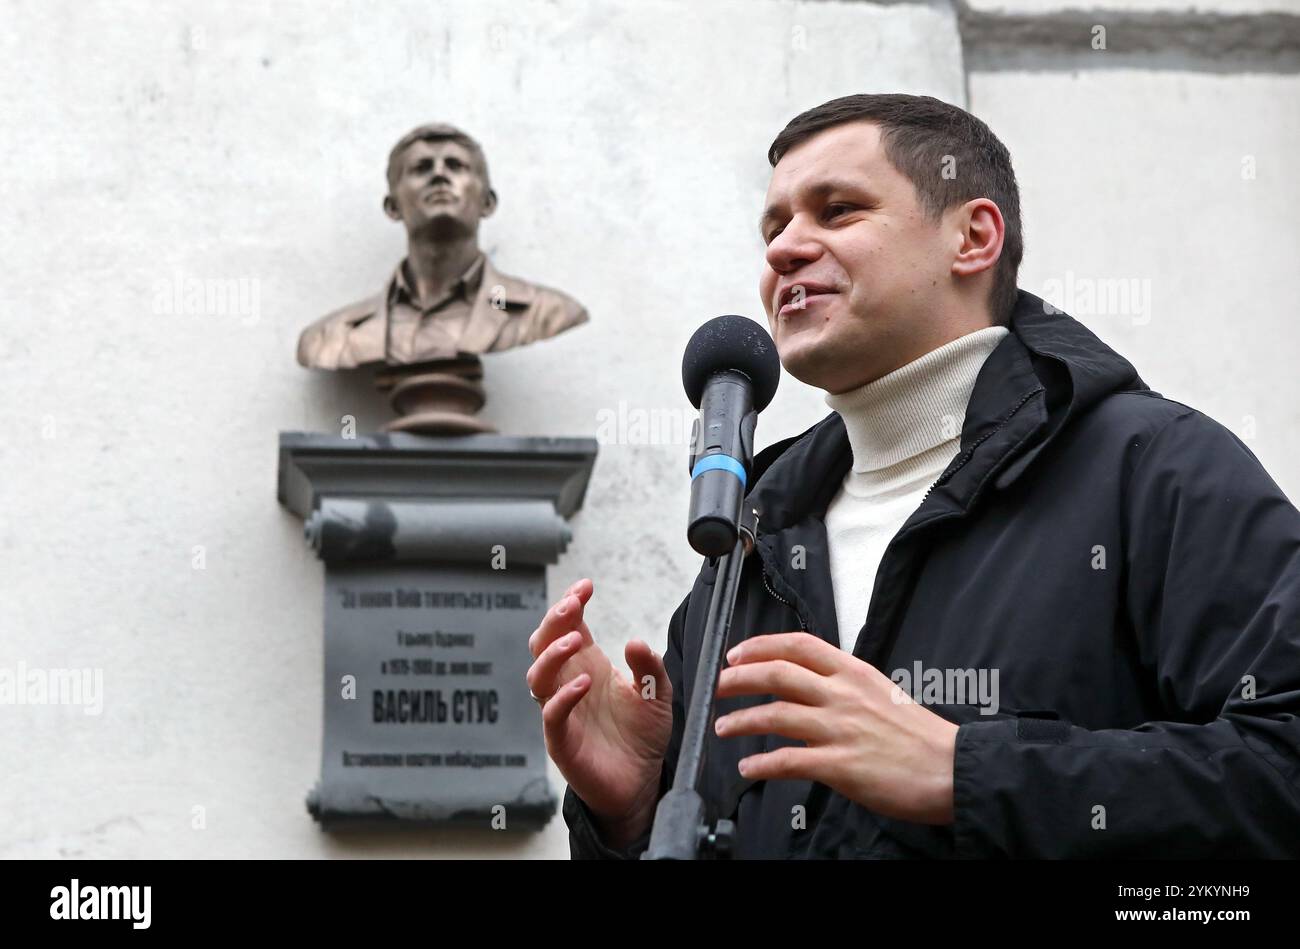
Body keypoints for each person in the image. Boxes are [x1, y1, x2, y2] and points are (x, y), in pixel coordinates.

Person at [526, 93, 1300, 858]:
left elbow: (1280, 770)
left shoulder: (1153, 467)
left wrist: (965, 773)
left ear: (972, 236)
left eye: (836, 211)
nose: (784, 249)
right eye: (774, 226)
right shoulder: (754, 544)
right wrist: (632, 814)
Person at [296, 122, 588, 372]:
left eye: (456, 166)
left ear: (488, 202)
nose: (439, 176)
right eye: (421, 168)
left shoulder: (546, 313)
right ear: (392, 207)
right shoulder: (332, 337)